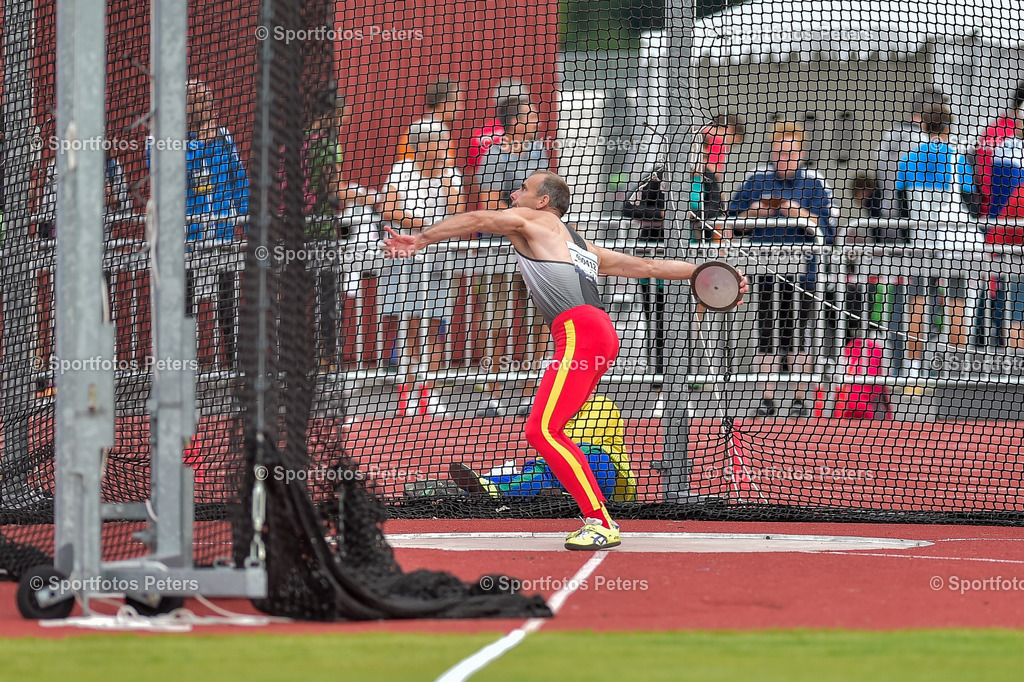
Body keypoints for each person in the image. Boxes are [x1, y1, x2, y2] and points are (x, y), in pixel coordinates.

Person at [384, 169, 748, 550]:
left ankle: (599, 521)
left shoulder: (537, 220)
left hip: (579, 333)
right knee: (553, 429)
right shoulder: (580, 244)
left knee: (541, 431)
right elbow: (649, 267)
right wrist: (709, 275)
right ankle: (585, 505)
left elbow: (478, 218)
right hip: (599, 335)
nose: (512, 193)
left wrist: (420, 239)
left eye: (522, 189)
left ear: (543, 202)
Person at [728, 120, 837, 418]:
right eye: (778, 153)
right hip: (766, 271)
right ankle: (767, 399)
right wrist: (755, 212)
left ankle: (800, 401)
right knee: (768, 335)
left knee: (799, 336)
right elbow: (730, 225)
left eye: (789, 153)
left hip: (804, 274)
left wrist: (797, 213)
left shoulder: (815, 183)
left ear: (801, 154)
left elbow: (829, 230)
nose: (783, 159)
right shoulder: (755, 181)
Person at [377, 118, 464, 416]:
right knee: (409, 325)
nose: (445, 147)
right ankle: (408, 392)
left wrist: (445, 179)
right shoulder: (401, 171)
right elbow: (388, 208)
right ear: (422, 146)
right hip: (406, 260)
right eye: (440, 142)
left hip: (439, 262)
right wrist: (425, 229)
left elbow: (458, 212)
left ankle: (430, 392)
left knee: (435, 327)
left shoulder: (450, 173)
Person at [476, 95, 550, 416]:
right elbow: (489, 206)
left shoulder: (539, 152)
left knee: (539, 320)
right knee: (497, 320)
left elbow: (547, 202)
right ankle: (491, 394)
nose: (536, 118)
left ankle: (531, 391)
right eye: (530, 113)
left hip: (536, 251)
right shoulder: (493, 155)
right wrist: (520, 216)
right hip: (501, 252)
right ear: (514, 121)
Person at [448, 395, 637, 502]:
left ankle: (499, 490)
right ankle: (458, 491)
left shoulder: (601, 404)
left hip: (604, 478)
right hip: (569, 481)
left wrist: (536, 463)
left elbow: (576, 447)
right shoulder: (554, 413)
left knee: (542, 469)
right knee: (532, 478)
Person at [184, 79, 248, 370]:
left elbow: (239, 179)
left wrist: (244, 219)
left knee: (226, 304)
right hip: (189, 238)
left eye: (207, 96)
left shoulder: (225, 137)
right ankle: (184, 365)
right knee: (185, 306)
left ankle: (233, 364)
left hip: (222, 236)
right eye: (198, 98)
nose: (206, 102)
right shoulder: (176, 138)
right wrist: (200, 142)